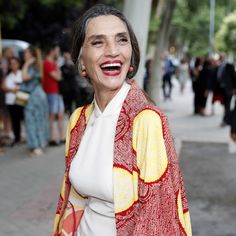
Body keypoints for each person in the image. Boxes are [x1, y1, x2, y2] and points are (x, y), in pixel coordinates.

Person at [53, 4, 192, 236]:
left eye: (121, 40)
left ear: (131, 57)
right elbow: (73, 202)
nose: (112, 51)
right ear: (82, 62)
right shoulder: (78, 120)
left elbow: (157, 220)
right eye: (98, 42)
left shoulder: (147, 121)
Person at [21, 47, 49, 156]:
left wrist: (26, 64)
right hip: (33, 95)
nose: (24, 54)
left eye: (26, 53)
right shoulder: (36, 65)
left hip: (34, 96)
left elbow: (24, 77)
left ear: (31, 54)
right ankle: (37, 144)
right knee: (34, 119)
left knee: (33, 120)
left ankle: (37, 146)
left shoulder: (33, 66)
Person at [42, 44, 65, 145]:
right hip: (50, 92)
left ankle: (62, 137)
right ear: (52, 51)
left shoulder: (53, 63)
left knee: (60, 114)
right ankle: (51, 138)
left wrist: (57, 69)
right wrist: (57, 71)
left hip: (57, 91)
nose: (58, 53)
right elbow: (58, 77)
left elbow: (59, 76)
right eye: (56, 51)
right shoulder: (46, 63)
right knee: (52, 115)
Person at [2, 57, 24, 146]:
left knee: (22, 118)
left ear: (18, 64)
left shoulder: (22, 73)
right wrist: (12, 90)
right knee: (14, 119)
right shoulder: (8, 76)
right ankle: (16, 137)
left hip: (21, 99)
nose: (13, 65)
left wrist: (13, 89)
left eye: (15, 63)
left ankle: (23, 135)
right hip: (11, 101)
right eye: (11, 64)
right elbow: (4, 87)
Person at [215, 54, 236, 126]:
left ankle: (226, 120)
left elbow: (234, 77)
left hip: (229, 89)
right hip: (221, 90)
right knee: (225, 106)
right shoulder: (218, 66)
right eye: (220, 57)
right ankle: (227, 119)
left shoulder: (229, 66)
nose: (221, 58)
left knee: (227, 105)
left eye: (222, 57)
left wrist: (234, 88)